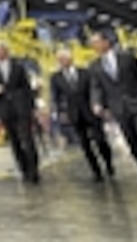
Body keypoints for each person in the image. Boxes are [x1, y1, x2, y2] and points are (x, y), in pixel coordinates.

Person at [87, 30, 137, 189]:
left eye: (96, 42)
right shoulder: (94, 67)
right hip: (120, 110)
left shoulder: (127, 58)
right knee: (134, 143)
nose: (94, 46)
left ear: (106, 42)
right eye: (92, 44)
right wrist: (96, 103)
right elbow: (96, 87)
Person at [49, 48, 113, 181]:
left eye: (64, 58)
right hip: (74, 114)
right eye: (60, 60)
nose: (62, 62)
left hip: (91, 111)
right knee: (85, 144)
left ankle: (108, 163)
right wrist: (60, 112)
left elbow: (95, 90)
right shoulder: (56, 78)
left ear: (71, 59)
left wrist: (101, 105)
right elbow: (56, 97)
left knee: (100, 140)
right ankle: (96, 171)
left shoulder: (85, 73)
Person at [0, 42, 40, 183]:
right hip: (5, 109)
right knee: (14, 141)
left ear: (6, 51)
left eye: (1, 50)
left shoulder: (18, 66)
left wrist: (32, 107)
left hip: (21, 108)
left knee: (27, 139)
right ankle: (24, 169)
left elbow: (27, 87)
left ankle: (34, 171)